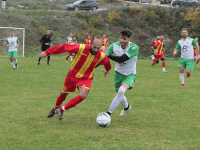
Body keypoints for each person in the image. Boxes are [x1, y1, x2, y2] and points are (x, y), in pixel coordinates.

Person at [37, 37, 111, 120]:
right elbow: (64, 47)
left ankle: (62, 109)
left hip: (86, 78)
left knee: (83, 95)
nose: (96, 50)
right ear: (90, 44)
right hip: (72, 75)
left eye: (98, 48)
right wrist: (47, 52)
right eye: (94, 47)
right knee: (64, 93)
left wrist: (107, 70)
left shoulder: (100, 55)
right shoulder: (81, 48)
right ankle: (56, 108)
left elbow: (107, 63)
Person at [101, 30, 139, 117]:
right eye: (121, 38)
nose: (122, 41)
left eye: (124, 39)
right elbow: (104, 57)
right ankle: (127, 107)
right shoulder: (114, 45)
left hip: (130, 74)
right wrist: (107, 69)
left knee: (121, 91)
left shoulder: (134, 48)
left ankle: (108, 113)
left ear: (129, 39)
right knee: (119, 94)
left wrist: (108, 55)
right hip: (118, 74)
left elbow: (122, 59)